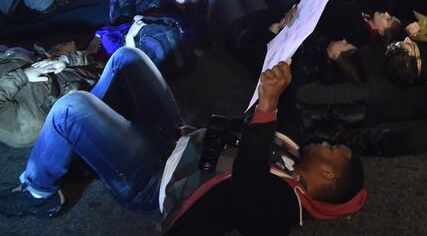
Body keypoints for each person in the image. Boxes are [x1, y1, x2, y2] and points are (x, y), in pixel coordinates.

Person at [0, 49, 367, 234]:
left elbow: (248, 181)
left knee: (69, 109)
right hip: (179, 137)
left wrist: (267, 106)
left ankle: (38, 194)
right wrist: (291, 42)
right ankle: (82, 148)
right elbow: (283, 101)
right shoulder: (295, 151)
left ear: (328, 174)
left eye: (333, 150)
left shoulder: (282, 211)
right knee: (128, 58)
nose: (325, 142)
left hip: (156, 180)